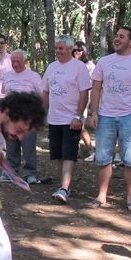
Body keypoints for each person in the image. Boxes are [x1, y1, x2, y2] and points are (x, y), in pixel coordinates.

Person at [86, 26, 131, 211]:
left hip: (130, 116)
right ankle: (101, 195)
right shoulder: (104, 61)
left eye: (121, 37)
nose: (116, 39)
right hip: (106, 115)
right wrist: (94, 112)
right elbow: (96, 88)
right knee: (102, 157)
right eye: (116, 36)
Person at [42, 36, 93, 203]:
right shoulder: (51, 67)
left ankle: (64, 188)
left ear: (70, 49)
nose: (58, 51)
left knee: (69, 154)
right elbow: (45, 92)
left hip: (71, 119)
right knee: (59, 155)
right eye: (56, 48)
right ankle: (64, 186)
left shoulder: (79, 67)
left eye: (61, 48)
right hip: (54, 119)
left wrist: (78, 116)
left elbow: (84, 93)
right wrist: (43, 113)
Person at [0, 49, 44, 185]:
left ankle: (30, 173)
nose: (15, 64)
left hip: (28, 118)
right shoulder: (7, 76)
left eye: (18, 61)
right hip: (11, 118)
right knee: (11, 145)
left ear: (25, 61)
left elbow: (42, 96)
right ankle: (10, 172)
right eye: (13, 61)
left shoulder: (34, 76)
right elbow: (3, 95)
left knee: (29, 146)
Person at [72, 40, 96, 157]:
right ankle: (74, 151)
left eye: (79, 50)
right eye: (74, 50)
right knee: (73, 127)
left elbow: (93, 86)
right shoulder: (71, 64)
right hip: (71, 101)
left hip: (84, 100)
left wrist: (91, 103)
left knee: (81, 127)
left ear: (84, 51)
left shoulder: (90, 66)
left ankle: (91, 151)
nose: (76, 52)